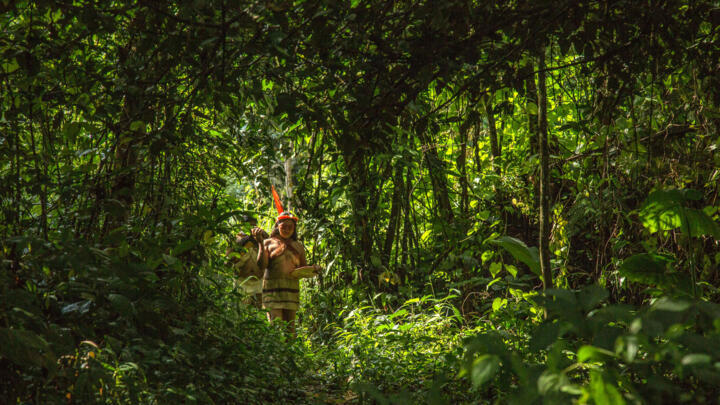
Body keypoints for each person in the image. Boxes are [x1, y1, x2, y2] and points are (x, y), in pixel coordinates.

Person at [253, 211, 320, 335]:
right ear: (277, 226)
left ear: (294, 229)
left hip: (291, 291)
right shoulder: (268, 242)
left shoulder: (298, 247)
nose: (287, 229)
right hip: (272, 290)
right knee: (276, 326)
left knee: (290, 330)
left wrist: (314, 269)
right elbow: (262, 265)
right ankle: (276, 354)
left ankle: (290, 354)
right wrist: (260, 243)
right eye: (284, 226)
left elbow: (303, 269)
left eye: (291, 227)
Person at [226, 230, 267, 308]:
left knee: (259, 311)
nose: (251, 226)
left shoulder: (261, 236)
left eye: (253, 223)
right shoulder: (234, 239)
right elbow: (227, 262)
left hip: (259, 282)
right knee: (242, 312)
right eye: (249, 222)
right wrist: (241, 244)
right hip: (242, 282)